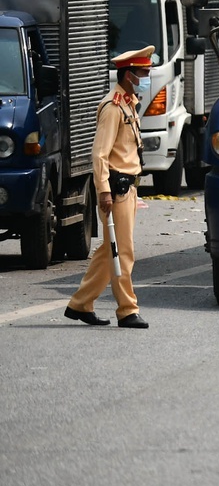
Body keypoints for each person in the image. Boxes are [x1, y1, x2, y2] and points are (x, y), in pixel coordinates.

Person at [65, 46, 153, 328]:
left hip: (127, 187)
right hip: (115, 189)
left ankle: (80, 304)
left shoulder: (128, 103)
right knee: (123, 251)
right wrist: (103, 190)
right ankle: (127, 310)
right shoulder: (113, 107)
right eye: (143, 73)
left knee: (110, 250)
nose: (147, 77)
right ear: (129, 75)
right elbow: (99, 154)